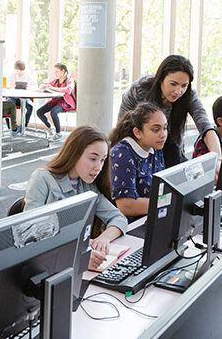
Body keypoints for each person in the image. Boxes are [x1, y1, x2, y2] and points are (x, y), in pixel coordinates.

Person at [23, 125, 127, 269]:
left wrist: (103, 239)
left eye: (102, 160)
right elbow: (31, 235)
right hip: (49, 266)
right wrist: (78, 255)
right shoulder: (42, 178)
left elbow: (119, 218)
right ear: (74, 154)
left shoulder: (88, 186)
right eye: (93, 159)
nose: (99, 167)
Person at [117, 54, 220, 167]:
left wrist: (218, 158)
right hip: (140, 152)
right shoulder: (139, 91)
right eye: (173, 84)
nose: (178, 91)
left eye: (184, 85)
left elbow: (204, 125)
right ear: (161, 79)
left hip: (173, 153)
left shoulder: (189, 95)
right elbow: (122, 130)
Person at [108, 102, 167, 219]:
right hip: (128, 227)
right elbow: (126, 206)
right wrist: (167, 202)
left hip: (152, 217)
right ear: (137, 133)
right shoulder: (122, 154)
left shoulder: (155, 148)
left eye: (165, 128)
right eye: (156, 129)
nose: (163, 134)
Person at [36, 62, 76, 141]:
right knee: (39, 112)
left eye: (57, 71)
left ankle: (59, 133)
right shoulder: (56, 80)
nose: (55, 73)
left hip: (66, 101)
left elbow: (68, 90)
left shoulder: (69, 80)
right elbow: (45, 84)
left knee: (53, 112)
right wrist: (43, 86)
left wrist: (53, 88)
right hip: (56, 100)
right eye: (55, 72)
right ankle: (50, 128)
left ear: (63, 71)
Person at [2, 59, 33, 135]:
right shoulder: (11, 76)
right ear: (15, 69)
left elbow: (34, 85)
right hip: (13, 97)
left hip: (25, 97)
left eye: (21, 70)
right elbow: (5, 88)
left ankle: (24, 125)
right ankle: (11, 127)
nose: (19, 72)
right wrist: (10, 86)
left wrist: (29, 87)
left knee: (30, 106)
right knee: (6, 105)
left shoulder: (27, 76)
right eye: (18, 70)